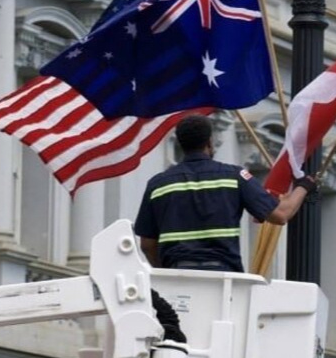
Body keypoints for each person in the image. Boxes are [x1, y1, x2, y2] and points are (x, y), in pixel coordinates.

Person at [134, 115, 312, 273]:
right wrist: (304, 186)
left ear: (181, 143)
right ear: (209, 142)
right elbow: (281, 214)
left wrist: (166, 273)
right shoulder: (234, 177)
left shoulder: (157, 184)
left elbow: (147, 245)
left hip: (177, 273)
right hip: (224, 275)